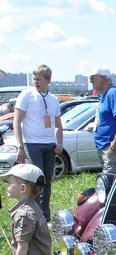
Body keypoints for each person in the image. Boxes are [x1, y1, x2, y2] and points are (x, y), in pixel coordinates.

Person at [13, 64, 64, 222]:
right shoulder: (26, 95)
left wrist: (59, 144)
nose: (35, 82)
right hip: (32, 145)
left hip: (49, 145)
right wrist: (21, 146)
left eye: (39, 79)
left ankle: (45, 216)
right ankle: (33, 215)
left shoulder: (53, 99)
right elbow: (17, 121)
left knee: (47, 181)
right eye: (34, 79)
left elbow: (58, 125)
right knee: (35, 180)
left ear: (48, 80)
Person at [89, 66, 116, 174]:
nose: (91, 80)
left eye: (93, 77)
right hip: (104, 146)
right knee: (106, 181)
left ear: (103, 78)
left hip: (112, 147)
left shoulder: (113, 93)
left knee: (110, 183)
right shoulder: (104, 95)